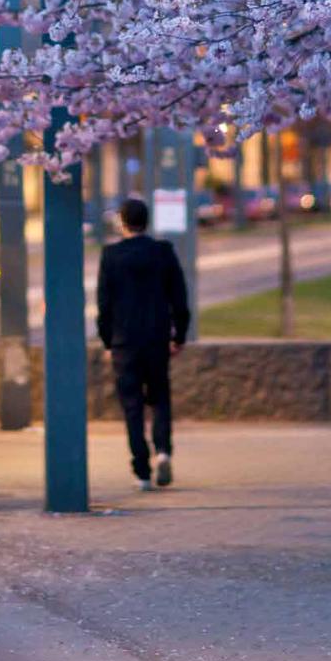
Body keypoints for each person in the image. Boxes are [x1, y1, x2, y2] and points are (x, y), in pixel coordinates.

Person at [96, 196, 190, 491]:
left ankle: (142, 471)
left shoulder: (110, 256)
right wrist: (179, 336)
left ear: (122, 223)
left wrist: (108, 341)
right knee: (160, 397)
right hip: (156, 339)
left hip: (125, 343)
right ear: (146, 221)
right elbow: (179, 299)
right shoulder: (163, 252)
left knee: (132, 406)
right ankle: (163, 451)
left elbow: (104, 304)